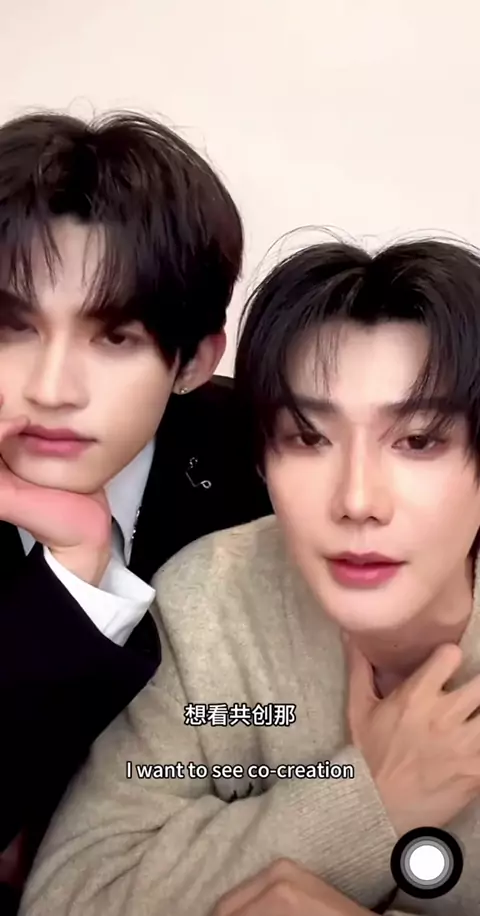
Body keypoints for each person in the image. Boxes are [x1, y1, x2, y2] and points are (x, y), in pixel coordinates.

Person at [21, 237, 480, 916]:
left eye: (419, 440)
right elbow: (70, 898)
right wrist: (366, 800)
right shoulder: (211, 600)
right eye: (308, 437)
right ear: (263, 460)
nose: (357, 500)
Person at [0, 111, 271, 911]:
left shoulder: (265, 464)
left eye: (114, 337)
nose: (52, 388)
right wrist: (75, 576)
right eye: (12, 328)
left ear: (193, 362)